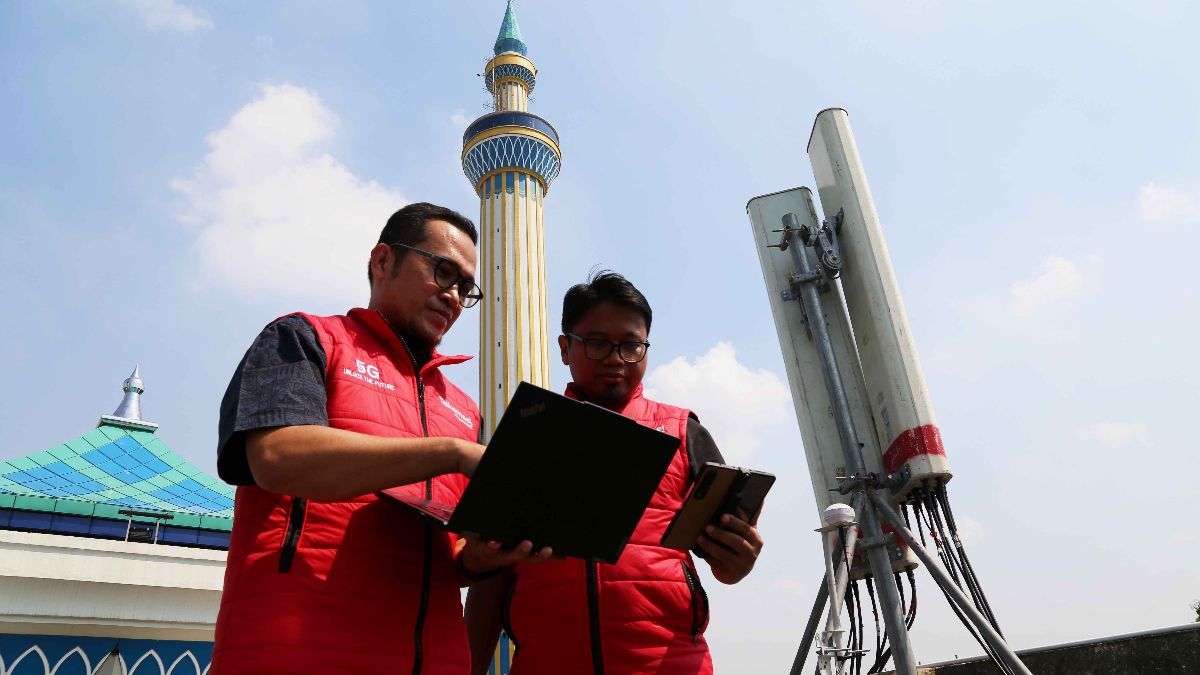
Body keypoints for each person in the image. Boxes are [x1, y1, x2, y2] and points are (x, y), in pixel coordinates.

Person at [212, 202, 549, 674]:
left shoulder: (461, 407)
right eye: (442, 271)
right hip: (299, 650)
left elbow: (448, 555)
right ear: (383, 261)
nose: (453, 296)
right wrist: (451, 453)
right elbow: (277, 457)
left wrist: (478, 558)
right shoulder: (308, 338)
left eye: (465, 287)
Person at [465, 271, 766, 675]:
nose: (614, 358)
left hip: (670, 665)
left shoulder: (683, 432)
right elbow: (492, 576)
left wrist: (738, 561)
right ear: (564, 348)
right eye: (596, 343)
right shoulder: (529, 439)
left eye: (631, 345)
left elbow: (725, 561)